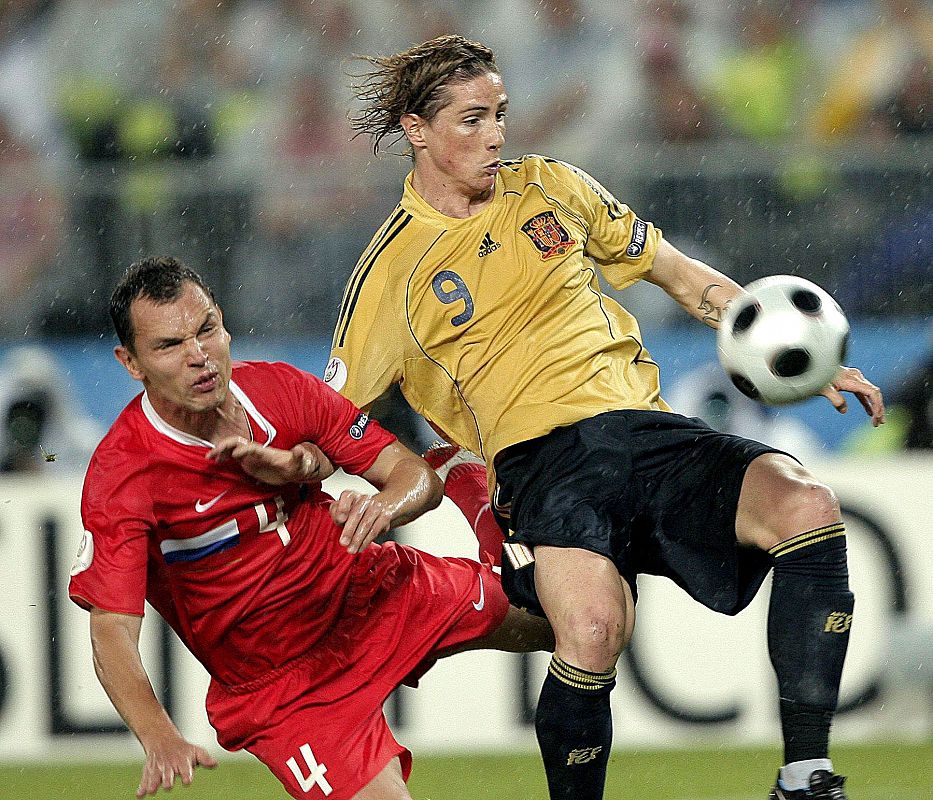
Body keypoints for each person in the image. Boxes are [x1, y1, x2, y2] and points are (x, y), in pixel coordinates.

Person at [326, 35, 887, 800]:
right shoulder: (391, 269)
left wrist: (804, 355)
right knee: (591, 631)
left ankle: (804, 776)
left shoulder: (551, 186)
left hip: (645, 430)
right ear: (416, 130)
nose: (494, 135)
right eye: (470, 120)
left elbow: (681, 277)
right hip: (540, 461)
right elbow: (329, 416)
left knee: (807, 505)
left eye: (499, 114)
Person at [68, 256, 552, 800]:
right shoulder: (123, 474)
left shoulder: (280, 390)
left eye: (206, 330)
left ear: (224, 323)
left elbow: (411, 474)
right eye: (169, 346)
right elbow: (111, 631)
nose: (199, 356)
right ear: (130, 363)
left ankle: (489, 523)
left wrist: (384, 508)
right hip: (290, 689)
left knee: (576, 620)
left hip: (371, 590)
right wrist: (159, 736)